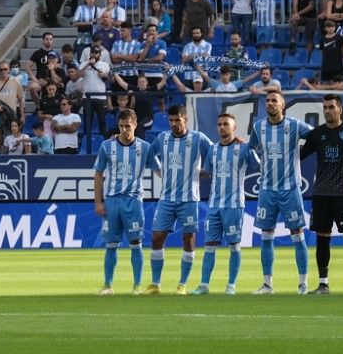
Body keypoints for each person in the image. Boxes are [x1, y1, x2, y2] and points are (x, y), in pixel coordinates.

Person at [300, 93, 343, 294]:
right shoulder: (317, 134)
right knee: (322, 238)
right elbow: (297, 156)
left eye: (331, 107)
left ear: (340, 109)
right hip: (321, 195)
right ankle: (323, 284)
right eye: (325, 107)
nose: (327, 111)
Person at [249, 87, 311, 294]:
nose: (270, 104)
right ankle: (267, 284)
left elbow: (315, 136)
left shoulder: (294, 125)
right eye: (267, 101)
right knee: (266, 235)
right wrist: (260, 166)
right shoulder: (258, 128)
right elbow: (251, 150)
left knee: (297, 233)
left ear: (282, 105)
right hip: (267, 190)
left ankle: (303, 283)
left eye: (274, 101)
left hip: (290, 189)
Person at [146, 103, 206, 294]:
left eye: (177, 120)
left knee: (188, 239)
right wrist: (159, 171)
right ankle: (155, 284)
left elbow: (216, 153)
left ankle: (182, 284)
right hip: (166, 198)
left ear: (185, 119)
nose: (174, 124)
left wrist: (205, 172)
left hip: (189, 199)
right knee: (156, 237)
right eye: (171, 120)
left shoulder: (198, 138)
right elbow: (149, 155)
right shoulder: (162, 138)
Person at [91, 105, 148, 295]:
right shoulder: (107, 146)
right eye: (122, 126)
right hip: (112, 202)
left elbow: (159, 167)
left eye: (128, 126)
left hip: (134, 202)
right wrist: (98, 202)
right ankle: (108, 285)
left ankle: (137, 286)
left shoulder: (145, 147)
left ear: (135, 125)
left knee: (136, 243)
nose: (125, 130)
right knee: (111, 246)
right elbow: (98, 175)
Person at [195, 110, 253, 294]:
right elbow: (208, 172)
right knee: (209, 245)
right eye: (219, 124)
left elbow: (260, 166)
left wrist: (250, 147)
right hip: (214, 205)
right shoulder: (212, 149)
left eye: (226, 124)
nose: (222, 127)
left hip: (234, 205)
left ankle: (231, 285)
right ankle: (204, 285)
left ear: (234, 127)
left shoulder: (244, 148)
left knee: (234, 245)